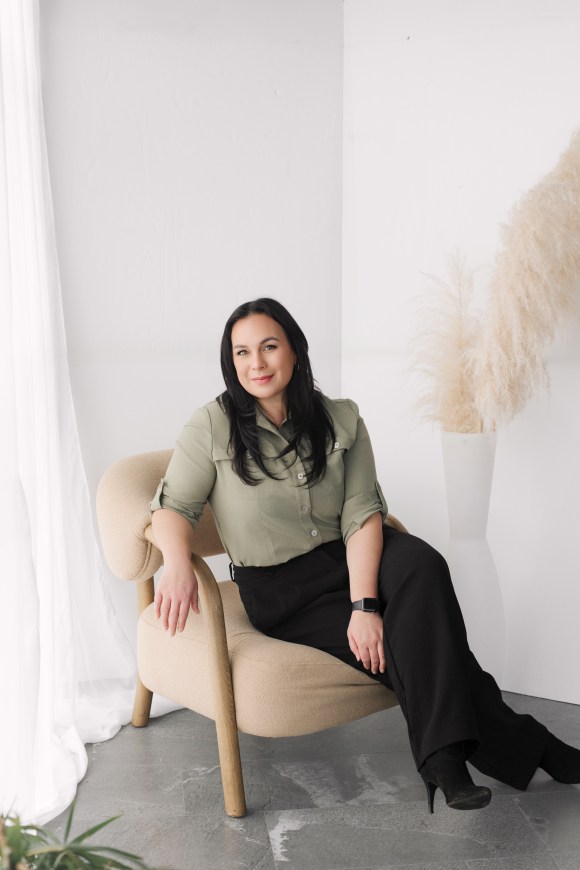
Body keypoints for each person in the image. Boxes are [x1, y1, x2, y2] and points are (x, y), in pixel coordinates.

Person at [150, 297, 580, 814]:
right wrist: (177, 562)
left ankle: (450, 760)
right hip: (284, 590)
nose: (256, 364)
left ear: (294, 351)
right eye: (242, 352)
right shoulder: (211, 425)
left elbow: (361, 513)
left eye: (268, 347)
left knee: (423, 563)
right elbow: (173, 506)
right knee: (422, 640)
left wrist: (364, 606)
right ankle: (502, 755)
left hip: (352, 556)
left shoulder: (340, 418)